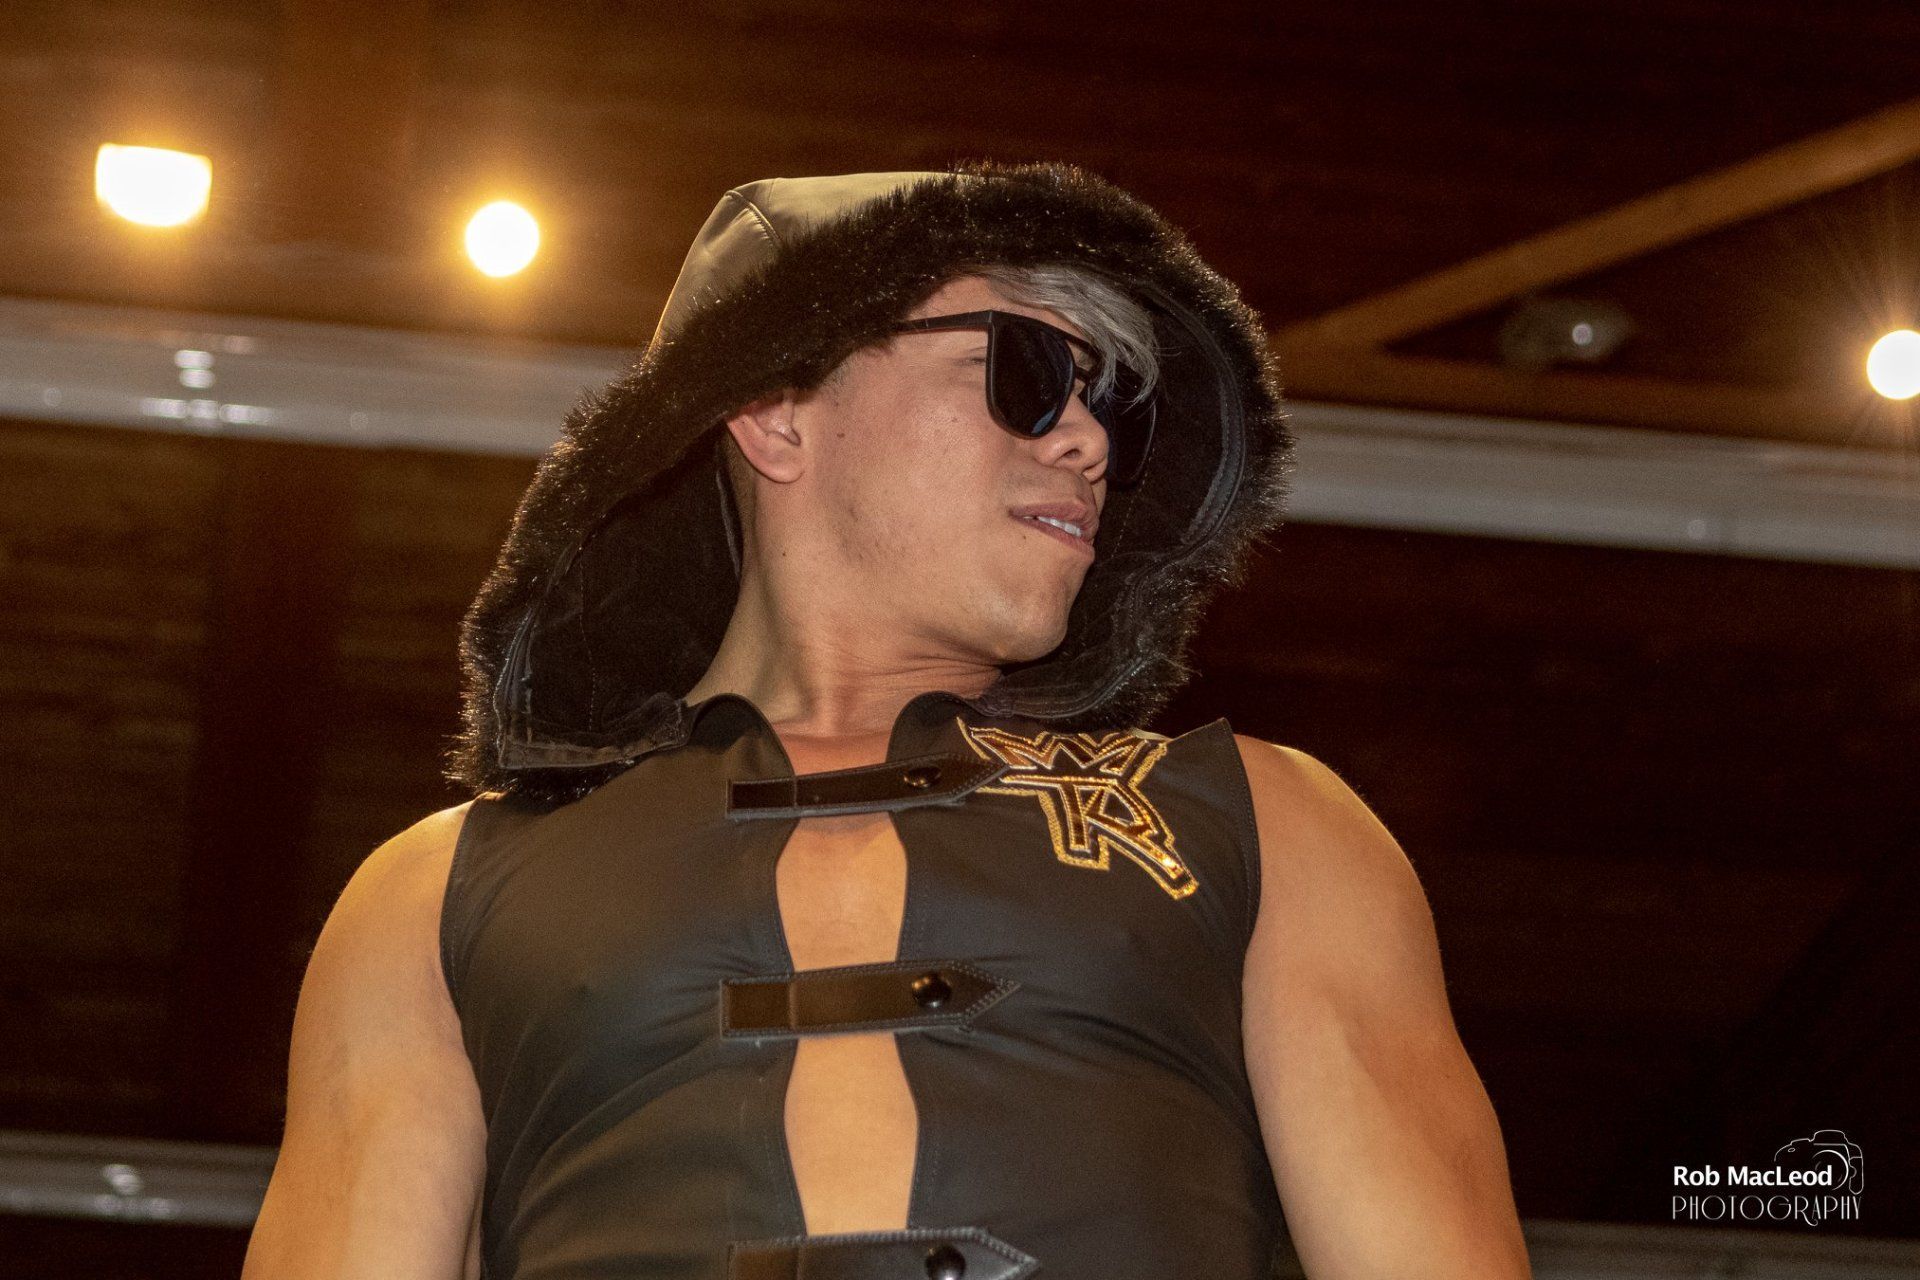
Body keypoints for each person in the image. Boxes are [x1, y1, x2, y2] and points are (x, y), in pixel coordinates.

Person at [244, 163, 1533, 1279]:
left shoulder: (1270, 827)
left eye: (1114, 411)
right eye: (1025, 372)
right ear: (777, 409)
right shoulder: (431, 897)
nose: (1086, 441)